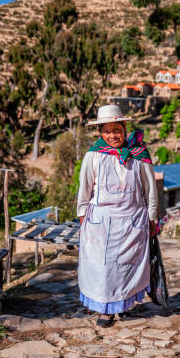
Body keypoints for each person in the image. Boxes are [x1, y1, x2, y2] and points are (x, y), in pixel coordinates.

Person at [76, 104, 158, 327]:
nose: (113, 135)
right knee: (103, 269)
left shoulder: (139, 156)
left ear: (124, 128)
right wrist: (82, 216)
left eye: (117, 130)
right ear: (101, 133)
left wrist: (152, 219)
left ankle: (121, 306)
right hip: (100, 224)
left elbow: (149, 190)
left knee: (125, 268)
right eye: (107, 131)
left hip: (132, 222)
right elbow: (84, 189)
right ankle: (105, 311)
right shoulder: (93, 157)